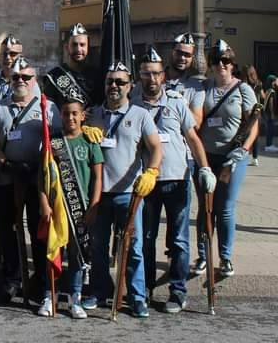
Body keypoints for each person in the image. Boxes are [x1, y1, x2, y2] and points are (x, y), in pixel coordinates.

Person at [133, 47, 215, 313]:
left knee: (179, 240)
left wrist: (204, 168)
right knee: (145, 239)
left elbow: (192, 138)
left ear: (163, 77)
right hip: (147, 182)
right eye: (147, 74)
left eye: (156, 74)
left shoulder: (177, 102)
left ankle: (177, 292)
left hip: (177, 180)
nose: (152, 79)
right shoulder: (132, 103)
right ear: (140, 76)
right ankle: (143, 289)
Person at [84, 61, 163, 318]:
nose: (114, 86)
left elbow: (156, 149)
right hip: (99, 194)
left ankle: (137, 297)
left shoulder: (140, 115)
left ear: (131, 86)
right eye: (110, 82)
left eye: (120, 82)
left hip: (128, 193)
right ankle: (98, 291)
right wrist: (83, 129)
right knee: (97, 246)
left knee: (134, 247)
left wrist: (151, 172)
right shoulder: (94, 113)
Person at [0, 56, 58, 304]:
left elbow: (57, 140)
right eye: (16, 77)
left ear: (34, 80)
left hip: (37, 180)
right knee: (7, 232)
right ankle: (12, 279)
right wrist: (5, 161)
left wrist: (42, 165)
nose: (21, 81)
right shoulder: (0, 107)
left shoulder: (48, 107)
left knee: (39, 230)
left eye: (26, 77)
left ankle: (39, 279)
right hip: (9, 176)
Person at [195, 40, 258, 278]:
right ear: (210, 64)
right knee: (205, 207)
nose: (221, 65)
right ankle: (203, 255)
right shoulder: (204, 88)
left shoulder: (243, 90)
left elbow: (253, 124)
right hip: (206, 156)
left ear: (232, 64)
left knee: (226, 208)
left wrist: (244, 149)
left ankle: (226, 257)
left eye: (226, 61)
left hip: (233, 157)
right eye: (217, 61)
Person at [51, 97, 103, 318]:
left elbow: (99, 178)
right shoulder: (54, 142)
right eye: (65, 113)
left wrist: (93, 206)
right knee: (54, 252)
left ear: (83, 116)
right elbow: (44, 176)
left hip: (81, 208)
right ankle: (50, 296)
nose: (70, 117)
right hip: (58, 208)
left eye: (75, 113)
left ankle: (75, 297)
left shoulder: (90, 142)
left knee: (77, 255)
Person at [43, 23, 103, 108]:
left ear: (88, 48)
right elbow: (47, 110)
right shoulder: (54, 76)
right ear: (67, 47)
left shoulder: (97, 75)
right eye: (74, 45)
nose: (78, 49)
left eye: (82, 45)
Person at [165, 33, 205, 127]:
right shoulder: (154, 79)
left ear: (192, 58)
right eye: (179, 53)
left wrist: (181, 104)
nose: (182, 58)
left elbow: (196, 124)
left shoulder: (196, 88)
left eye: (187, 55)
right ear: (172, 52)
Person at [241, 64, 263, 166]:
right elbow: (262, 96)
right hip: (257, 111)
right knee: (255, 134)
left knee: (245, 132)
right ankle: (255, 158)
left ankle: (243, 153)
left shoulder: (244, 85)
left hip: (245, 110)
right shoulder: (258, 83)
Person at [264, 75, 278, 152]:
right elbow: (271, 103)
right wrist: (272, 113)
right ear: (273, 82)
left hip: (267, 113)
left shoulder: (268, 90)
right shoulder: (272, 91)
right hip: (270, 114)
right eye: (276, 80)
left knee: (269, 128)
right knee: (270, 129)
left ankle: (269, 144)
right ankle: (269, 145)